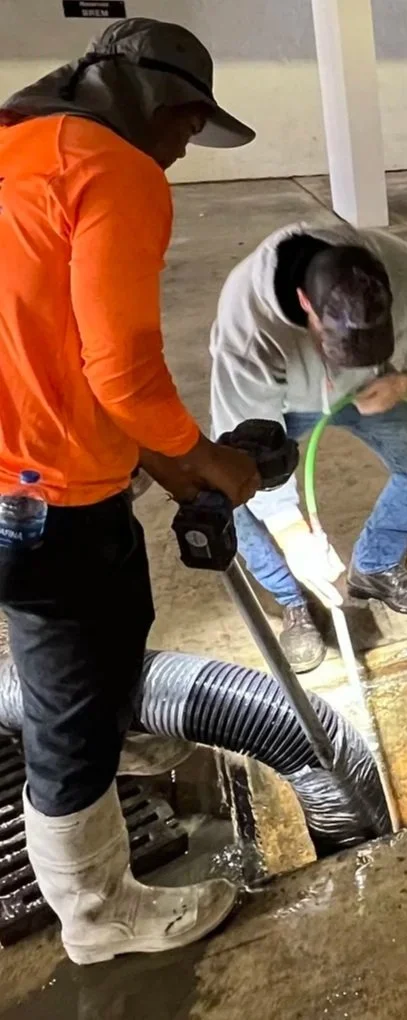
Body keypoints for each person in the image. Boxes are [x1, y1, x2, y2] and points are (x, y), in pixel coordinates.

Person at [0, 19, 259, 965]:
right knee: (65, 699)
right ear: (156, 101)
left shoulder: (15, 144)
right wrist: (202, 459)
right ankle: (98, 915)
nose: (185, 150)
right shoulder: (115, 172)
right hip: (40, 499)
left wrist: (153, 463)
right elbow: (121, 367)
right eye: (189, 127)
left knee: (110, 622)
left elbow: (48, 345)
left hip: (27, 468)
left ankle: (111, 743)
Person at [210, 223, 407, 672]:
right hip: (279, 402)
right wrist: (293, 533)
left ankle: (375, 567)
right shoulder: (248, 325)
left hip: (371, 387)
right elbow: (248, 448)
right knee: (234, 495)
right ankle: (293, 599)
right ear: (304, 302)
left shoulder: (403, 266)